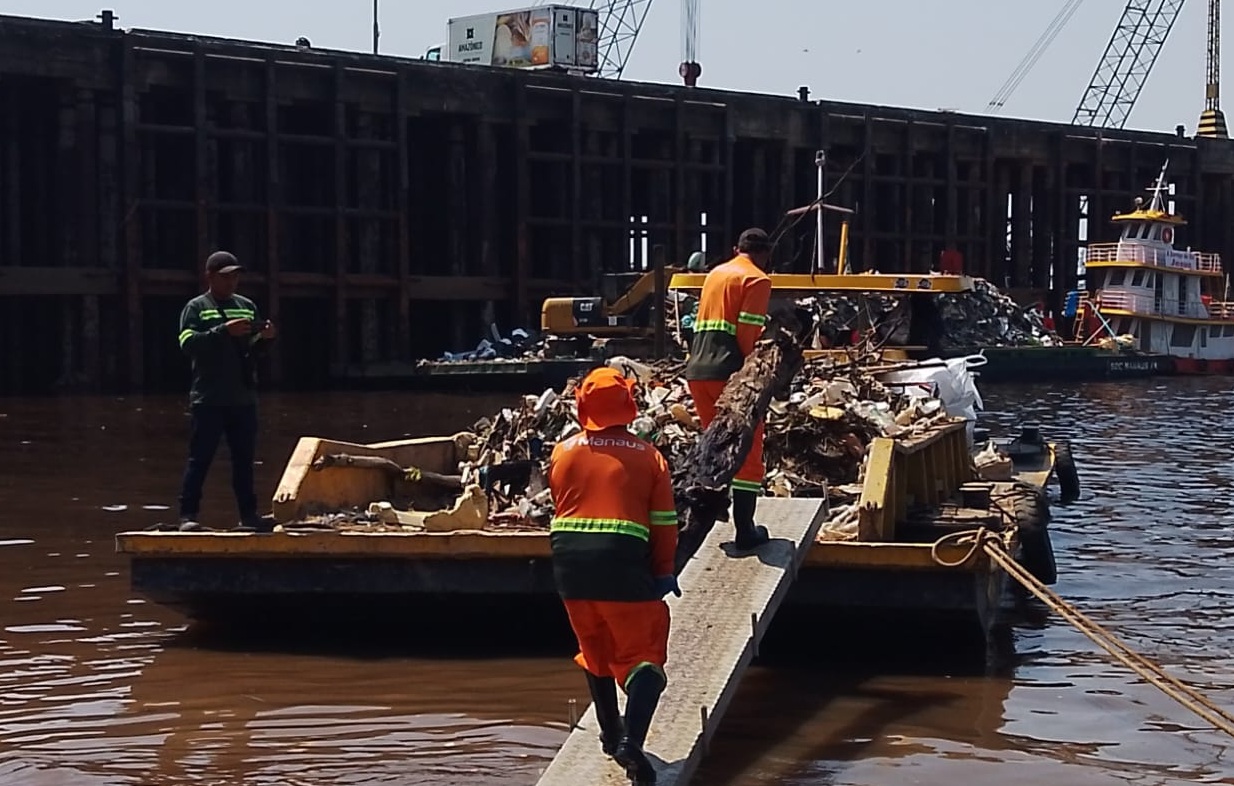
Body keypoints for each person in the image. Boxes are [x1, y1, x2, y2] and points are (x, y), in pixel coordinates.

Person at [548, 367, 679, 786]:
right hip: (622, 563)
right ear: (629, 404)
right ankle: (631, 745)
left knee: (595, 647)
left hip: (569, 565)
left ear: (582, 406)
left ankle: (609, 732)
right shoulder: (650, 457)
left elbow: (563, 504)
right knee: (646, 657)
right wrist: (662, 572)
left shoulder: (562, 451)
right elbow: (664, 525)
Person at [683, 228, 774, 551]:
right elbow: (748, 335)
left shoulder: (716, 274)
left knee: (714, 449)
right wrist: (757, 374)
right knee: (746, 451)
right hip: (730, 375)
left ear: (737, 248)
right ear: (766, 253)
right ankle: (745, 529)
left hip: (697, 371)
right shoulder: (757, 280)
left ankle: (696, 526)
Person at [176, 251, 277, 533]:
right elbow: (188, 344)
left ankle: (249, 517)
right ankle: (188, 517)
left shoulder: (246, 306)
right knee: (200, 459)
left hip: (243, 398)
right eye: (225, 276)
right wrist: (223, 331)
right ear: (209, 277)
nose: (232, 282)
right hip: (208, 398)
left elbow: (253, 353)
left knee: (244, 461)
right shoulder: (196, 308)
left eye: (235, 276)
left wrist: (266, 340)